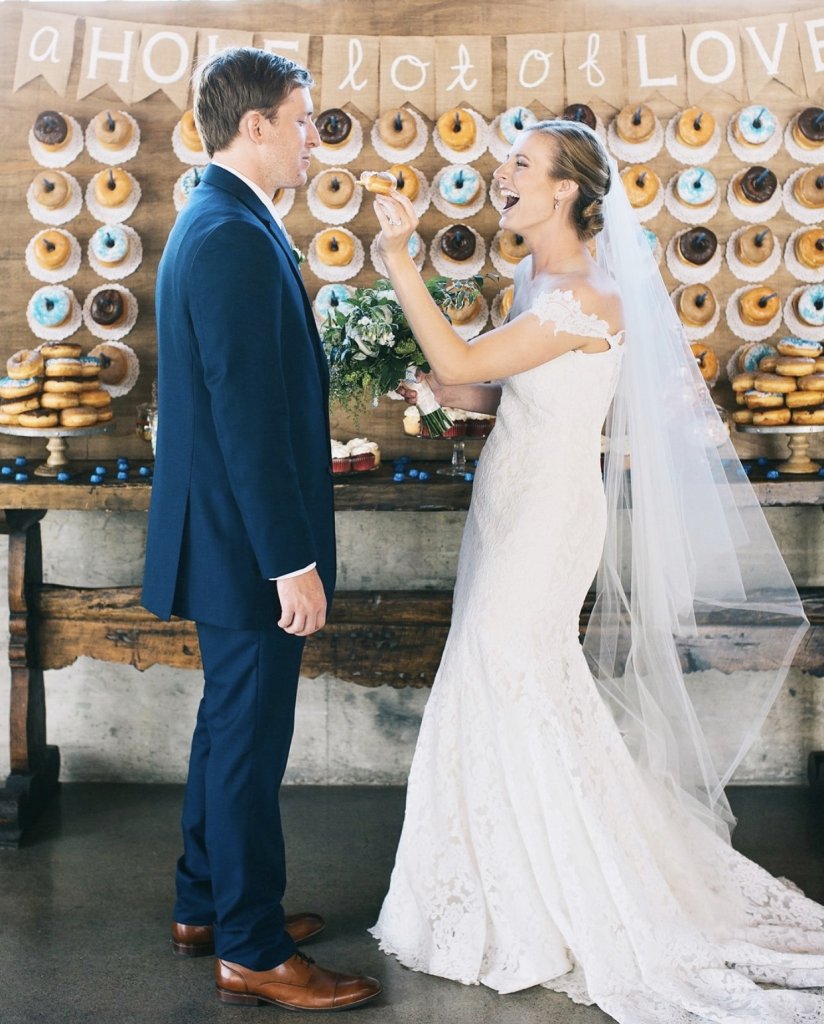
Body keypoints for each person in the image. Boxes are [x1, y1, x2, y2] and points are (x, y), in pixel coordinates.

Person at [368, 119, 824, 1022]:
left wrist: (400, 262)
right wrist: (432, 391)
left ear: (567, 191)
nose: (502, 175)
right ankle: (494, 882)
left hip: (547, 521)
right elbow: (484, 383)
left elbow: (463, 352)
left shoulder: (593, 297)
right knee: (492, 677)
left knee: (517, 674)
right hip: (507, 502)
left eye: (521, 165)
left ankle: (570, 892)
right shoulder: (535, 279)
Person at [142, 48, 381, 1012]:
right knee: (249, 737)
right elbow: (244, 413)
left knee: (226, 726)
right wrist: (292, 562)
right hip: (247, 543)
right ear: (256, 128)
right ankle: (249, 943)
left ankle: (205, 902)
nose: (314, 144)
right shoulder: (233, 233)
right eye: (305, 122)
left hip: (217, 530)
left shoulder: (220, 216)